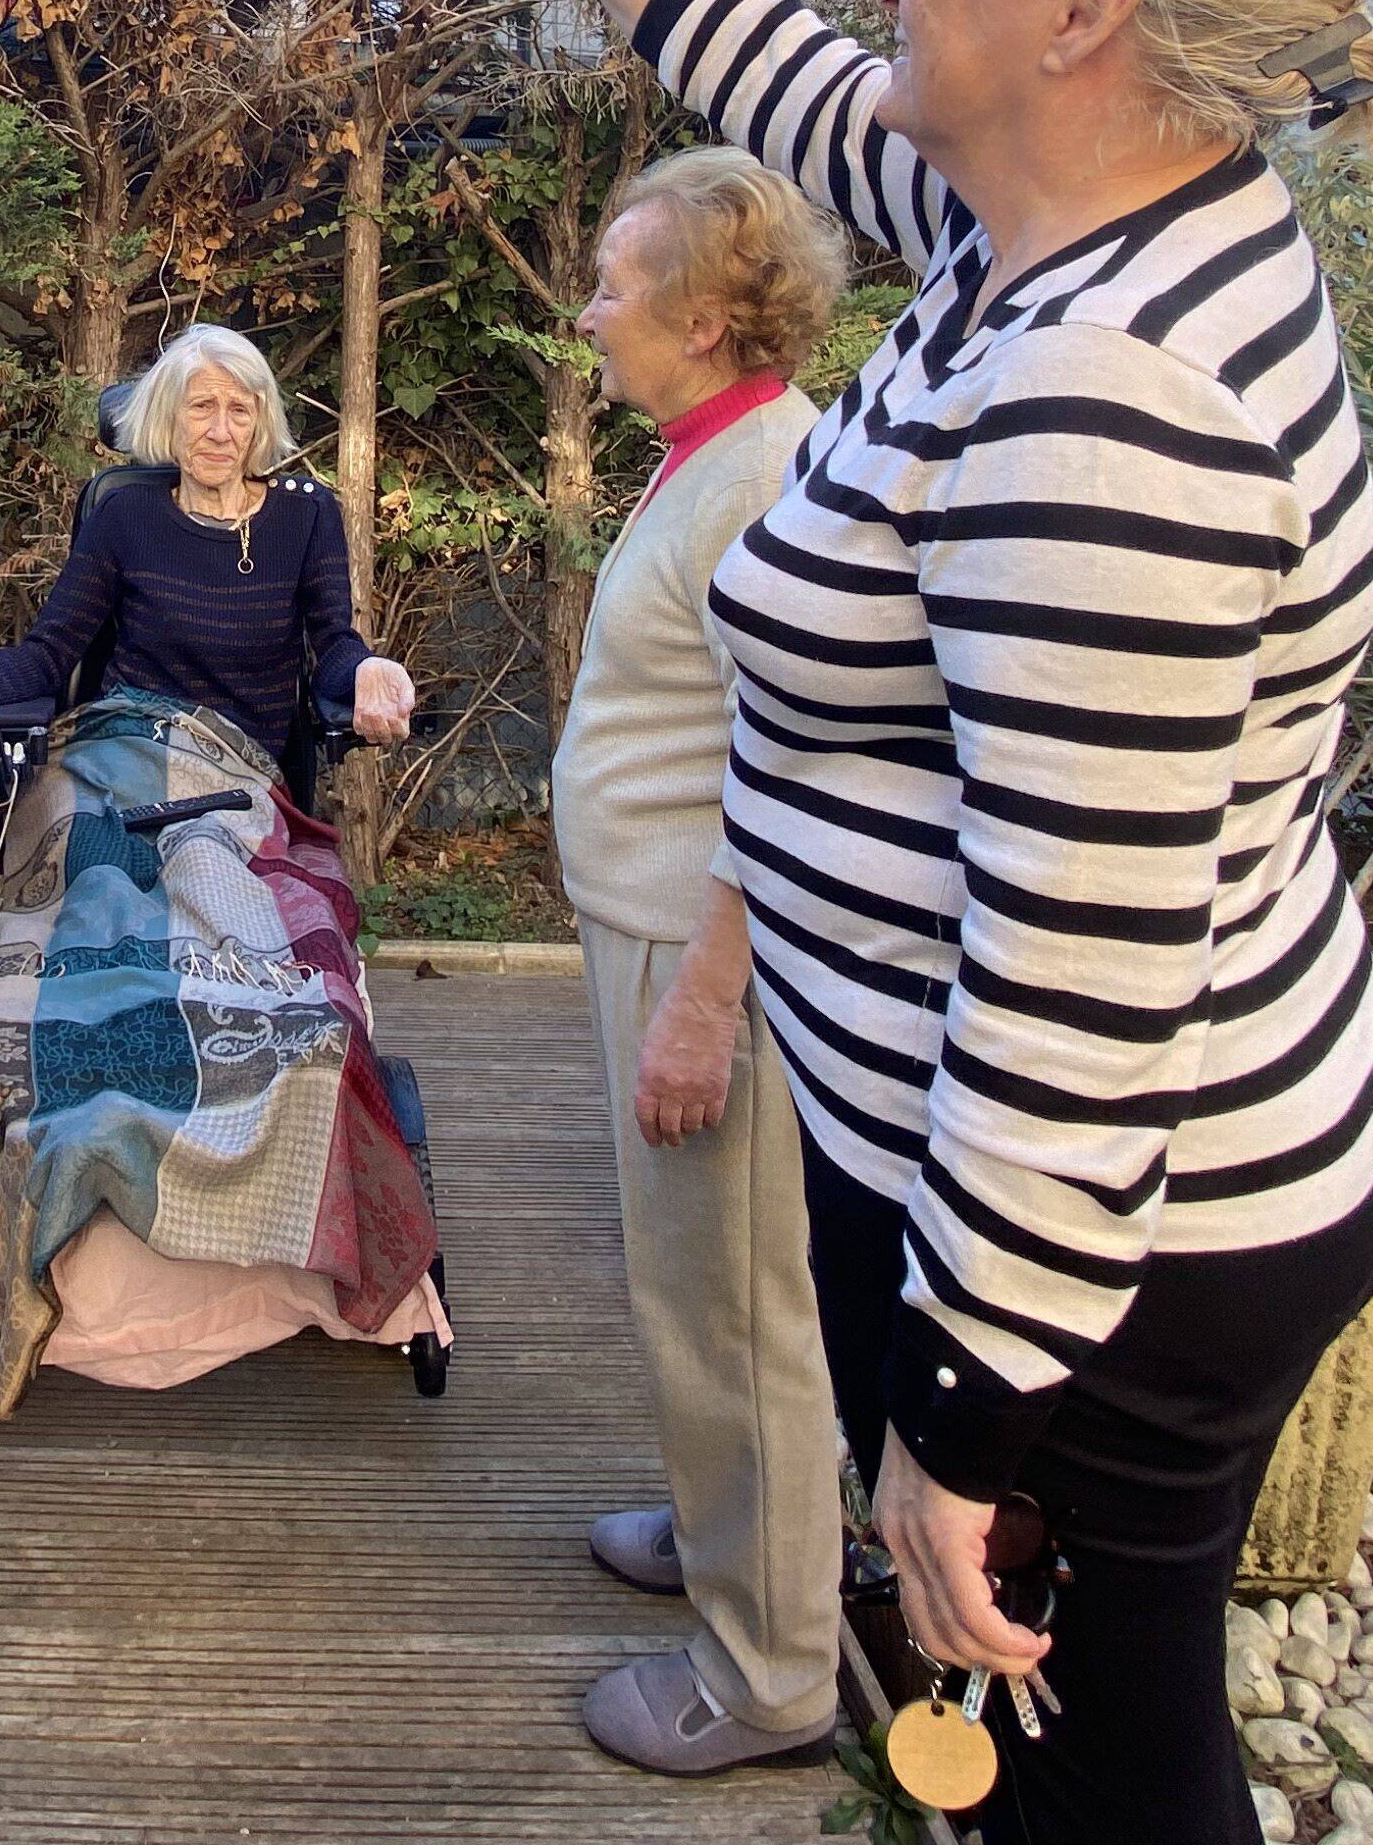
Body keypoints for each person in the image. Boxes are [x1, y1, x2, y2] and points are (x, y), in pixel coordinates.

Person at [422, 0, 1373, 1845]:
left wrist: (963, 1410)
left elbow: (1080, 970)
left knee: (1090, 1778)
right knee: (1074, 1746)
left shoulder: (1105, 396)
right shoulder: (1049, 230)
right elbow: (809, 86)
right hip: (1120, 1208)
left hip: (1121, 1254)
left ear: (1083, 12)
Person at [556, 147, 854, 1778]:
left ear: (703, 316)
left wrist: (704, 998)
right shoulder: (714, 455)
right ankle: (724, 1528)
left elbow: (790, 766)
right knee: (693, 1279)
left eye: (613, 285)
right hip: (659, 931)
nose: (588, 312)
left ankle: (772, 1669)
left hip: (702, 952)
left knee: (734, 1302)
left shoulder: (759, 480)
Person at [0, 322, 416, 767]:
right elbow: (46, 658)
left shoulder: (304, 516)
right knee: (80, 831)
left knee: (198, 837)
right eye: (201, 406)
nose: (220, 432)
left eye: (239, 411)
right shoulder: (124, 514)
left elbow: (333, 646)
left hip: (238, 777)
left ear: (258, 424)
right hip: (124, 754)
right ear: (168, 417)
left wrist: (365, 669)